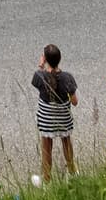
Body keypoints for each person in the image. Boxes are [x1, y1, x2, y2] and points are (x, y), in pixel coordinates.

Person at [31, 43, 80, 180]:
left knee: (47, 145)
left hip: (46, 120)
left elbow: (39, 77)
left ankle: (47, 177)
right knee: (66, 141)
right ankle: (72, 171)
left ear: (45, 59)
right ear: (60, 58)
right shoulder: (67, 77)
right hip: (64, 119)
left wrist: (41, 65)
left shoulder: (39, 76)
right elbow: (75, 102)